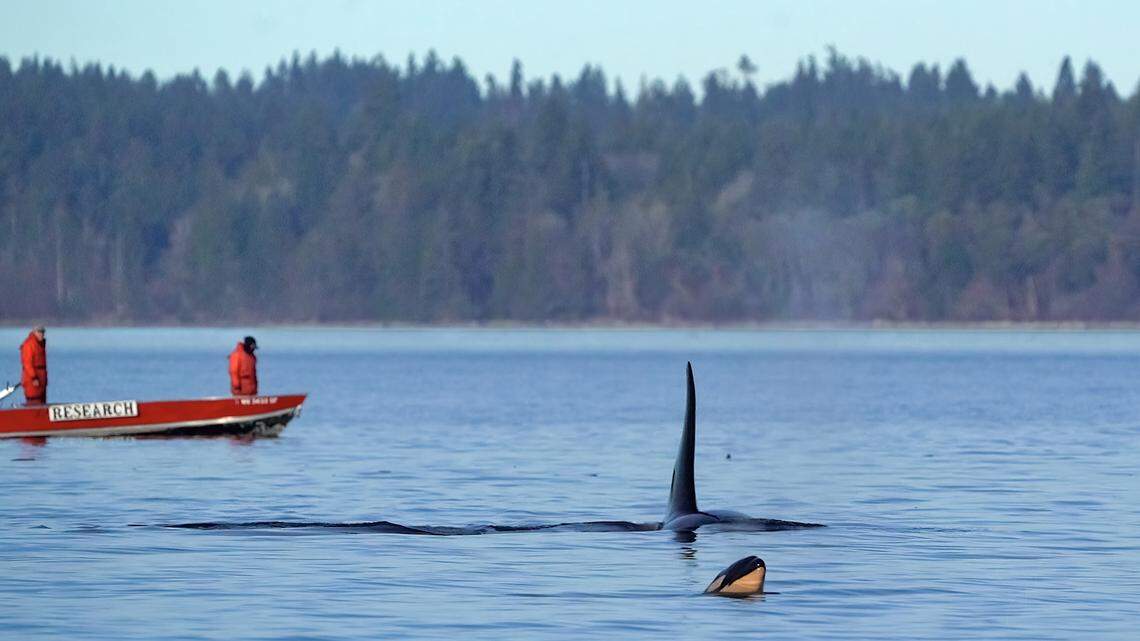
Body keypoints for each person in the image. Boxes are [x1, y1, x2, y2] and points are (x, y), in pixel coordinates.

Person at [20, 326, 47, 405]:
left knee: (41, 402)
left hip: (41, 378)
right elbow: (27, 363)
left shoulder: (40, 344)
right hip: (32, 380)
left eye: (42, 332)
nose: (41, 334)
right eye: (39, 332)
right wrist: (34, 377)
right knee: (33, 400)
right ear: (34, 332)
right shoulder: (29, 344)